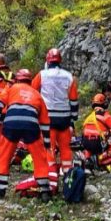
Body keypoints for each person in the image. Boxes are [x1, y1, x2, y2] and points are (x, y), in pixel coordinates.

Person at [0, 68, 52, 201]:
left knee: (4, 155)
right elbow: (45, 122)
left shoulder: (11, 88)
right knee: (39, 158)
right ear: (30, 81)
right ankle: (45, 190)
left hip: (11, 124)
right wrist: (46, 142)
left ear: (17, 79)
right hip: (31, 125)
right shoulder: (37, 94)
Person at [32, 48, 79, 180]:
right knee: (66, 149)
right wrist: (73, 120)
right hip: (64, 118)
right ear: (60, 60)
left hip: (48, 118)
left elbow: (32, 92)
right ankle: (68, 177)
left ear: (48, 60)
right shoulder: (69, 76)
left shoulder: (42, 75)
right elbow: (74, 100)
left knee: (49, 148)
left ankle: (51, 177)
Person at [82, 93, 111, 160]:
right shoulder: (105, 115)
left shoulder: (89, 117)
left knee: (89, 150)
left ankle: (88, 160)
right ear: (104, 103)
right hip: (97, 143)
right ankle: (103, 161)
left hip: (85, 143)